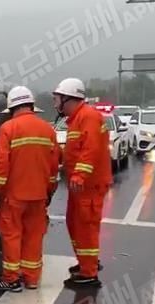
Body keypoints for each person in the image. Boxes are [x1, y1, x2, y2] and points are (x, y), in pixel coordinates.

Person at [0, 86, 60, 292]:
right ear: (31, 106)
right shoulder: (48, 130)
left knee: (12, 235)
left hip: (14, 195)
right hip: (39, 195)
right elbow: (54, 166)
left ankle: (11, 279)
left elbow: (1, 164)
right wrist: (49, 190)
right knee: (34, 235)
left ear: (12, 108)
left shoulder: (8, 129)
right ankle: (31, 279)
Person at [52, 78, 112, 288]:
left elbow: (91, 150)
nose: (54, 103)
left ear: (68, 98)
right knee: (75, 223)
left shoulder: (88, 117)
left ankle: (89, 272)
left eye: (57, 98)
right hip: (81, 186)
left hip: (89, 185)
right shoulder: (78, 119)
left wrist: (79, 175)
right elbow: (77, 150)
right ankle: (86, 262)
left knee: (85, 226)